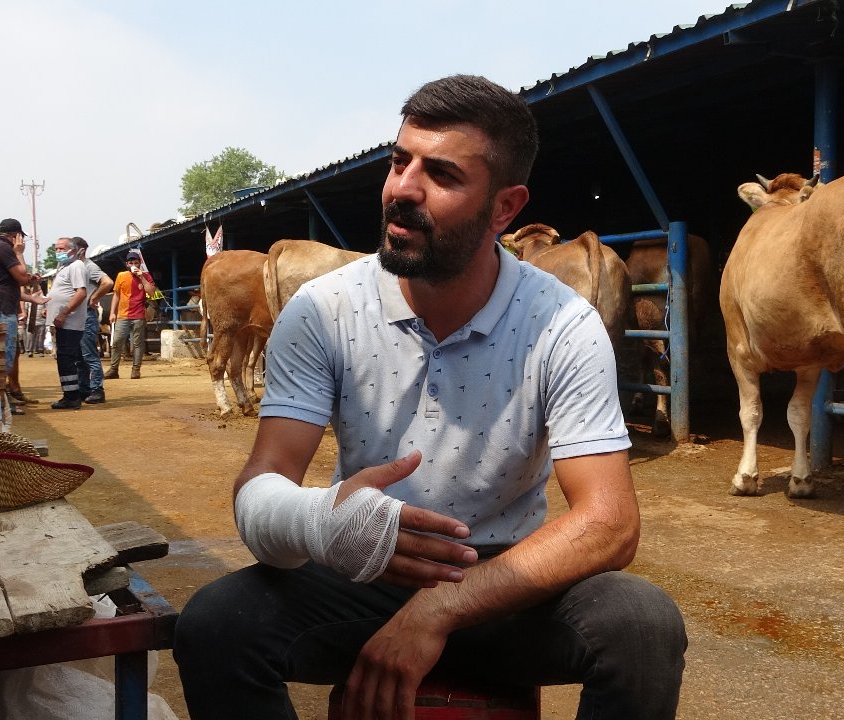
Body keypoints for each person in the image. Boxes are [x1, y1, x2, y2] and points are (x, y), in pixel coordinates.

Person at [172, 74, 686, 719]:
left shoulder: (561, 323)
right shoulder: (324, 310)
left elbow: (609, 525)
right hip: (368, 564)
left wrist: (438, 609)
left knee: (642, 625)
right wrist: (323, 522)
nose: (402, 189)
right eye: (398, 161)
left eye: (441, 174)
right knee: (218, 624)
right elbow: (264, 483)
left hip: (506, 581)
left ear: (504, 208)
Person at [0, 219, 40, 410]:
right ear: (16, 236)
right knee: (3, 358)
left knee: (0, 356)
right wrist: (20, 253)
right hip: (1, 310)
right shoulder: (4, 249)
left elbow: (12, 280)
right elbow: (21, 277)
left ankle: (1, 399)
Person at [45, 236, 89, 410]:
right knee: (67, 358)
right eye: (56, 249)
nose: (58, 252)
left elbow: (81, 293)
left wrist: (63, 314)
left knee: (66, 358)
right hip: (64, 322)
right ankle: (72, 394)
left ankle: (71, 397)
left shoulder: (77, 266)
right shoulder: (64, 267)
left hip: (70, 322)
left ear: (72, 249)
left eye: (62, 249)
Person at [71, 237, 113, 403]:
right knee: (79, 357)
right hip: (76, 316)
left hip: (87, 315)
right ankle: (84, 388)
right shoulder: (74, 267)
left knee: (89, 355)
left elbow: (107, 282)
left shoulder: (89, 267)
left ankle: (97, 389)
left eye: (70, 248)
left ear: (81, 250)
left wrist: (93, 298)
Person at [104, 248, 155, 380]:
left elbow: (151, 293)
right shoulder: (121, 276)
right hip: (122, 315)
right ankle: (114, 369)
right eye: (130, 262)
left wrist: (142, 277)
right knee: (116, 342)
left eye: (136, 262)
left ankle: (136, 370)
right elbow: (116, 295)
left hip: (138, 315)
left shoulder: (146, 276)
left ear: (139, 263)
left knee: (138, 344)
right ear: (127, 264)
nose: (133, 265)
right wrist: (112, 313)